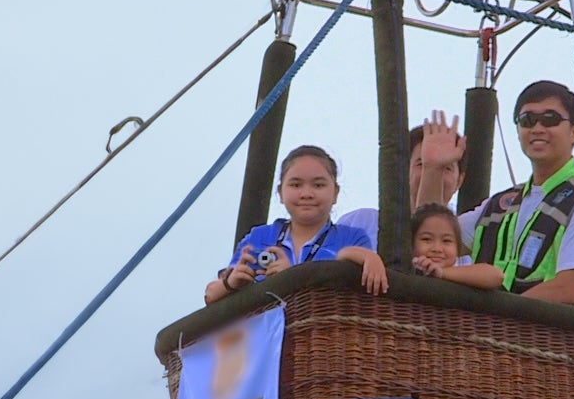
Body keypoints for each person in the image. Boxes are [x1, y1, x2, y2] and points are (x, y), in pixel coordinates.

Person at [460, 80, 574, 307]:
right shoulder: (500, 204)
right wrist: (434, 168)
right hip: (484, 335)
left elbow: (569, 289)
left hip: (546, 338)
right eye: (527, 120)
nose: (537, 128)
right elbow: (432, 239)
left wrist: (498, 315)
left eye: (550, 119)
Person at [206, 145, 388, 304]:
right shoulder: (260, 237)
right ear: (280, 192)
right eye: (295, 185)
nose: (306, 193)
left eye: (318, 185)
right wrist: (231, 283)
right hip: (268, 337)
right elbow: (210, 295)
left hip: (324, 336)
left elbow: (363, 295)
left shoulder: (353, 238)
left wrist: (292, 277)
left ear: (335, 193)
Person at [335, 111, 465, 248]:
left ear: (459, 181)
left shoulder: (465, 237)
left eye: (447, 168)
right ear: (403, 172)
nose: (431, 173)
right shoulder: (359, 223)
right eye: (421, 164)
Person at [409, 203, 502, 290]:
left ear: (458, 249)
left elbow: (496, 276)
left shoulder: (462, 275)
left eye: (446, 241)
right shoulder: (404, 271)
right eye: (426, 239)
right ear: (411, 243)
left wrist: (441, 273)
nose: (437, 249)